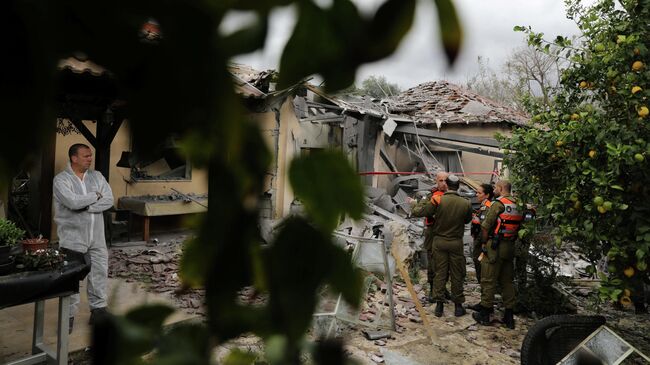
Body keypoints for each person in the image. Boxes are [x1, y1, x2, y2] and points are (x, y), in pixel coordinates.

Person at [53, 143, 114, 332]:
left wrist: (87, 205)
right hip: (72, 237)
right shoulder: (61, 180)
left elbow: (109, 199)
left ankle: (98, 311)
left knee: (99, 273)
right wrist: (95, 196)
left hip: (97, 237)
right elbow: (71, 201)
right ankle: (68, 316)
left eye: (90, 155)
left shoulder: (97, 177)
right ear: (74, 158)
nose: (90, 158)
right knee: (72, 276)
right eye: (86, 156)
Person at [414, 175, 472, 317]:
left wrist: (418, 203)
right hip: (455, 242)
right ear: (458, 186)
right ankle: (458, 306)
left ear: (447, 184)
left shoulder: (437, 200)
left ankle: (439, 306)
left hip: (439, 241)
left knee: (440, 272)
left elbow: (424, 212)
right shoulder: (466, 203)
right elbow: (467, 220)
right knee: (457, 273)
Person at [473, 180, 523, 329]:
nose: (494, 189)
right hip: (510, 246)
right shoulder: (518, 204)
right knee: (507, 281)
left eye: (496, 187)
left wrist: (483, 243)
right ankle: (509, 316)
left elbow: (486, 225)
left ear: (501, 189)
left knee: (488, 279)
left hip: (495, 246)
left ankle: (485, 314)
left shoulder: (498, 204)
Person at [410, 171, 448, 303]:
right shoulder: (431, 195)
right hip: (433, 232)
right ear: (436, 181)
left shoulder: (453, 196)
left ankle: (443, 289)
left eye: (445, 180)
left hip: (448, 234)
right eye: (441, 180)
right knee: (432, 261)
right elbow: (419, 211)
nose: (443, 183)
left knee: (446, 263)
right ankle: (433, 289)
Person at [470, 183, 494, 284]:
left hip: (482, 240)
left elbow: (484, 226)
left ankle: (484, 287)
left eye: (479, 193)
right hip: (479, 238)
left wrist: (482, 242)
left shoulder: (487, 207)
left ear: (487, 195)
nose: (476, 195)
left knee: (479, 263)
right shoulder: (482, 206)